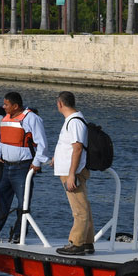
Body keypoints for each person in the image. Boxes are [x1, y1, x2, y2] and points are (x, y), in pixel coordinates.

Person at [0, 92, 48, 242]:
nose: (3, 107)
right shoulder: (5, 119)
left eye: (6, 104)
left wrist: (37, 163)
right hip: (4, 167)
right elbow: (1, 142)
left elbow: (42, 144)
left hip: (23, 168)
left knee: (23, 202)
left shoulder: (32, 119)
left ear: (15, 106)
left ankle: (18, 235)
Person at [53, 91, 93, 256]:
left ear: (60, 104)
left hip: (73, 172)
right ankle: (87, 242)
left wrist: (71, 175)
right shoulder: (72, 120)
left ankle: (76, 243)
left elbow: (77, 148)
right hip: (71, 170)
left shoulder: (75, 122)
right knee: (83, 207)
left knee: (79, 209)